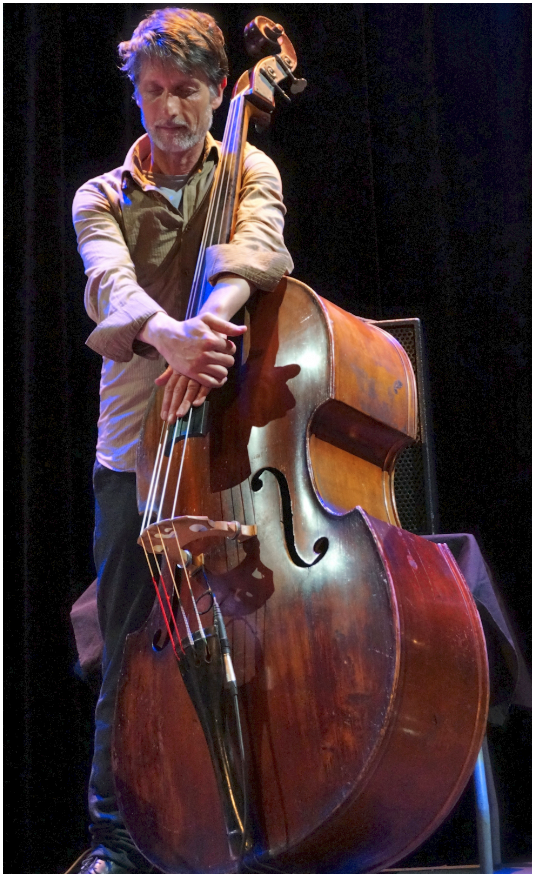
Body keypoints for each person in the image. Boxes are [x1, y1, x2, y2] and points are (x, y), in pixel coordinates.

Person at [72, 7, 293, 873]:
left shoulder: (247, 166)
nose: (168, 109)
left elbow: (258, 247)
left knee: (266, 633)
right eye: (154, 91)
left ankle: (269, 822)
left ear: (216, 90)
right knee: (130, 645)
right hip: (135, 450)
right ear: (138, 93)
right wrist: (172, 338)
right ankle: (117, 841)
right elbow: (109, 285)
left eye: (188, 91)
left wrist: (208, 323)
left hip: (234, 432)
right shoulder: (100, 195)